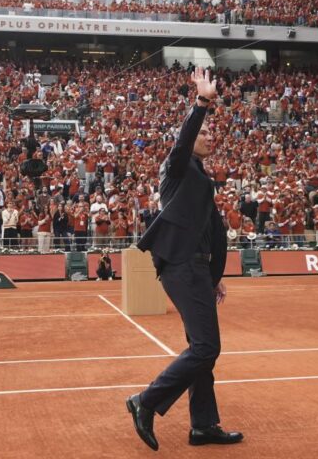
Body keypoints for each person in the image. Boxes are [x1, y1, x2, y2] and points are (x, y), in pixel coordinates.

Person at [127, 66, 242, 451]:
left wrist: (214, 274)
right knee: (207, 348)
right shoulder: (176, 166)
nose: (210, 137)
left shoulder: (198, 177)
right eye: (204, 133)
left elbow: (206, 229)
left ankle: (203, 425)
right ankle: (146, 401)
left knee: (201, 349)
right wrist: (202, 102)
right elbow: (185, 137)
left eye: (211, 133)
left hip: (196, 268)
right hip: (181, 265)